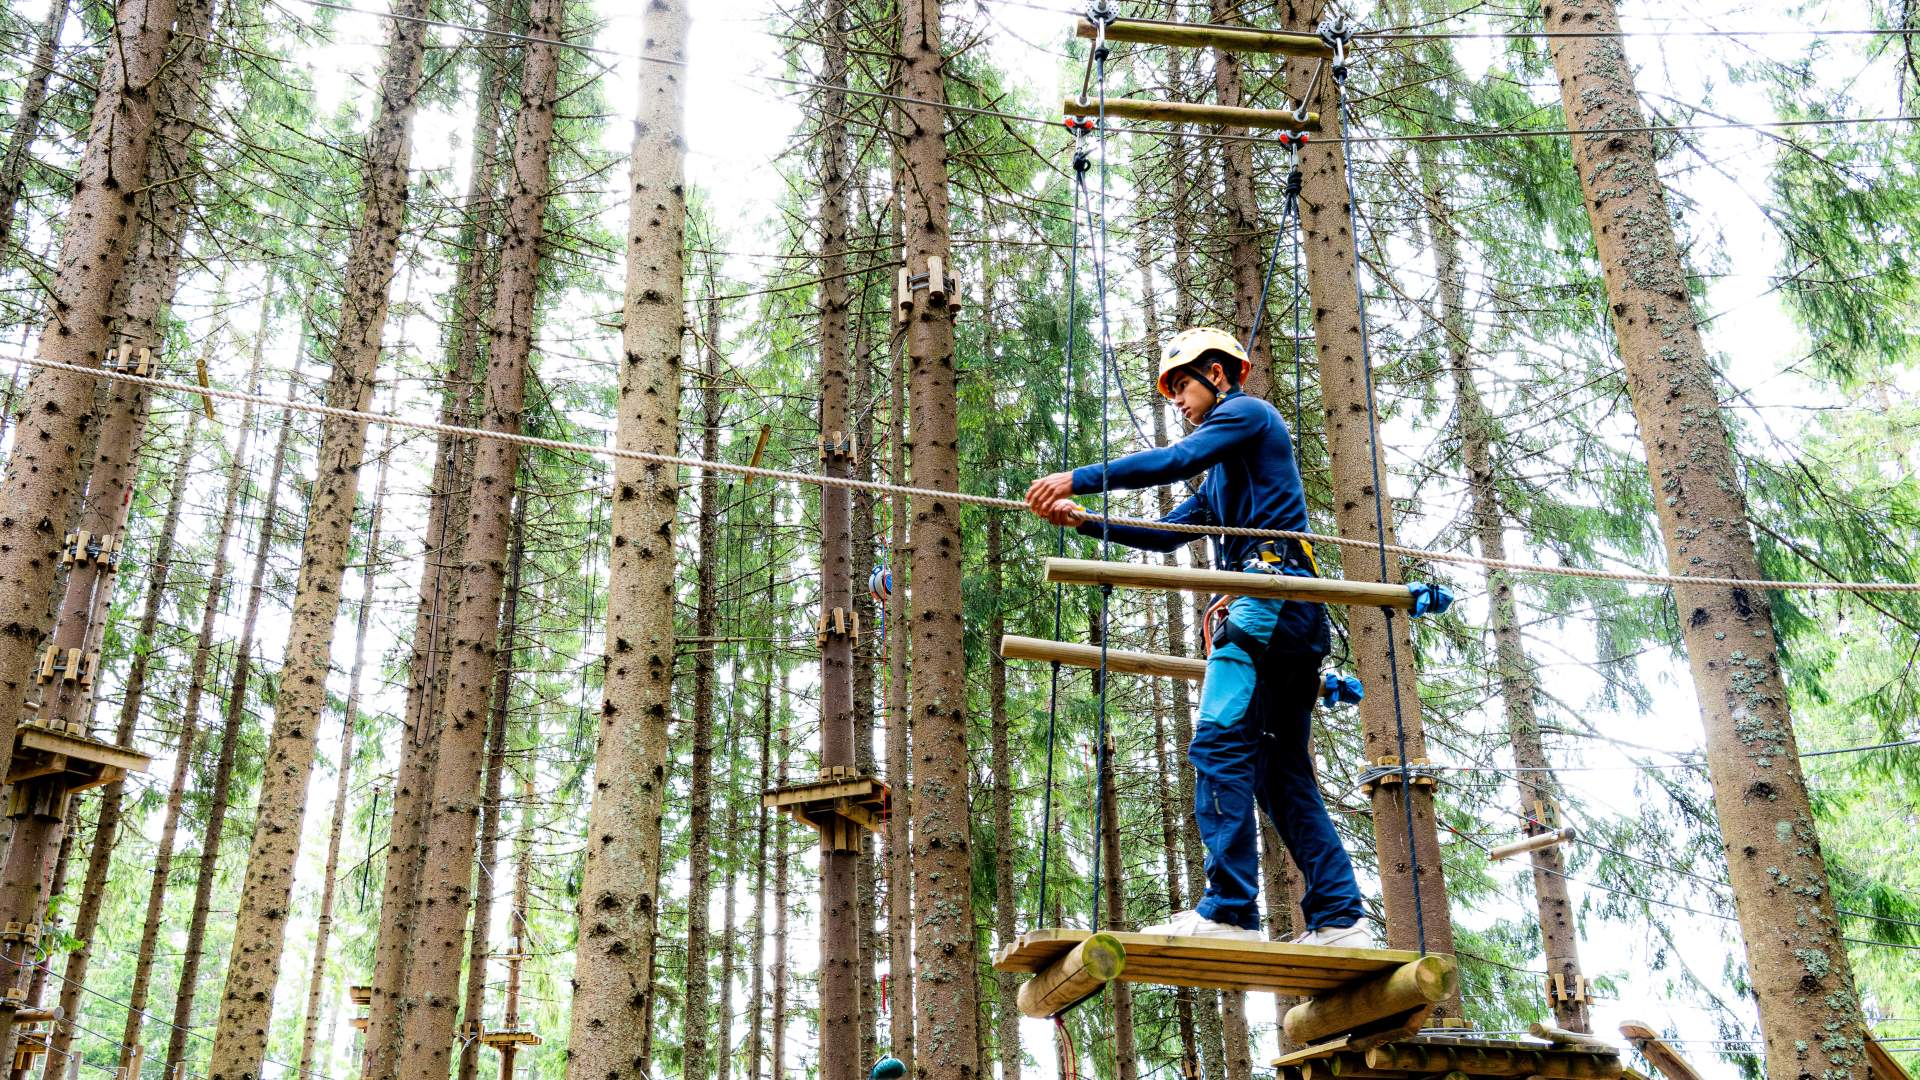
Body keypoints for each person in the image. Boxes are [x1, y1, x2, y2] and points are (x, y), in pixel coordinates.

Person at [1024, 327, 1368, 946]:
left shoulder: (1247, 413)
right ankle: (1340, 917)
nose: (1178, 402)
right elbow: (1164, 533)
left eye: (1182, 387)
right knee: (1278, 770)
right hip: (1296, 617)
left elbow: (1174, 458)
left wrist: (1077, 478)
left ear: (1217, 373)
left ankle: (1231, 910)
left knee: (1217, 745)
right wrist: (1088, 523)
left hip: (1265, 603)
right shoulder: (1222, 481)